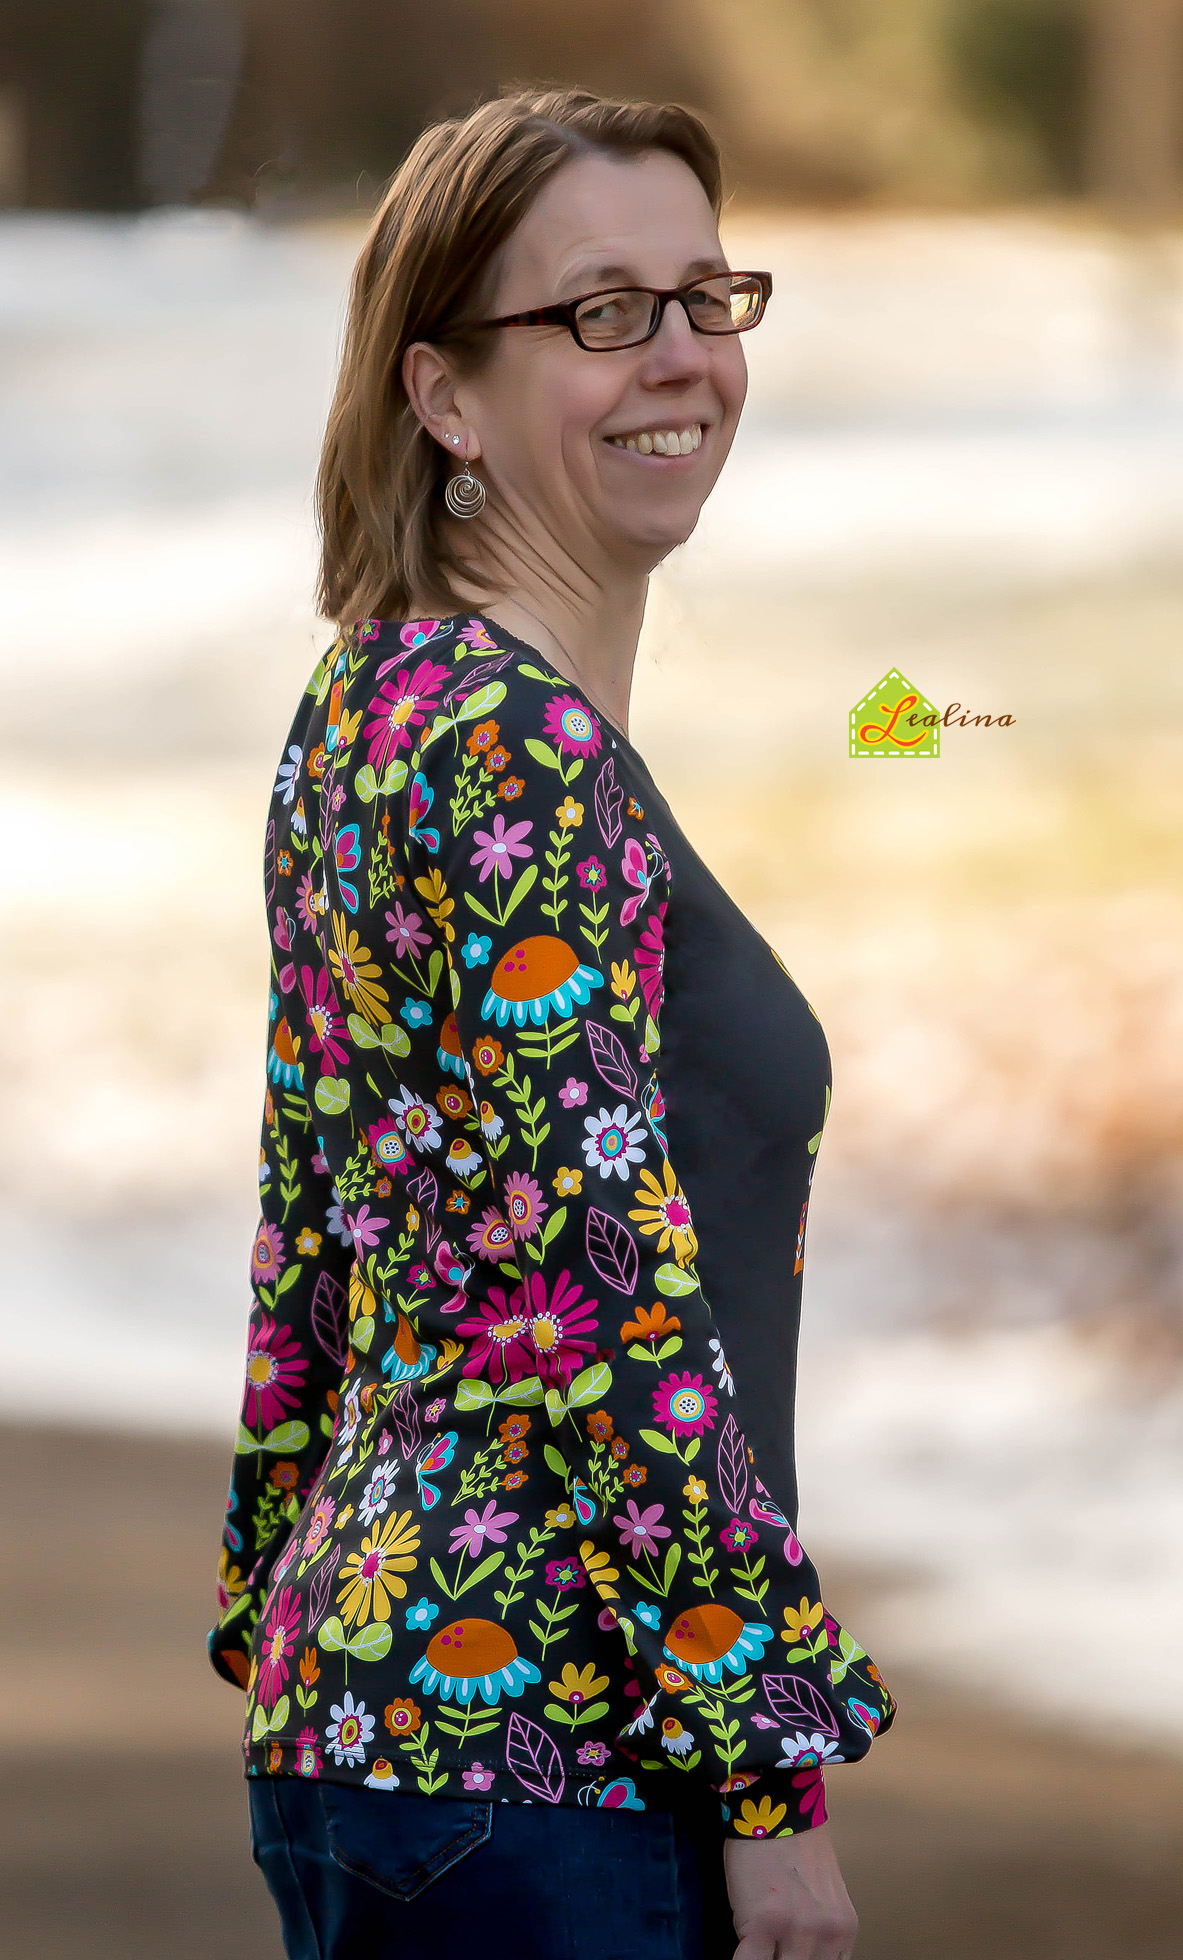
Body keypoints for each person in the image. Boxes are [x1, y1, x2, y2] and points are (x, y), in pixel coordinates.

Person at [208, 85, 895, 1960]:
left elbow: (312, 1224)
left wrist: (279, 1606)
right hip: (556, 1759)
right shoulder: (520, 752)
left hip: (370, 1713)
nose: (681, 356)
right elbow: (612, 1297)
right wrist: (769, 1784)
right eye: (602, 311)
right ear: (443, 394)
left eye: (707, 297)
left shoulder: (367, 706)